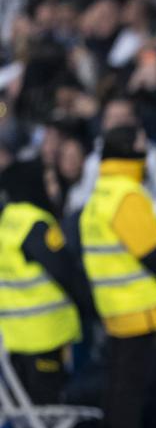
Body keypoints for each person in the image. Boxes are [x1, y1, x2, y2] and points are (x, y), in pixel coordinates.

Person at [80, 124, 156, 428]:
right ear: (129, 149)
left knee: (116, 392)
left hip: (113, 307)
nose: (146, 149)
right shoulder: (128, 195)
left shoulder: (99, 195)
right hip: (139, 307)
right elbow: (153, 253)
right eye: (141, 142)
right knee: (129, 395)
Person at [0, 160, 91, 404]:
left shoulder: (7, 221)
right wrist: (93, 307)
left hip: (14, 337)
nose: (53, 188)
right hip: (46, 336)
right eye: (48, 181)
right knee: (48, 410)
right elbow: (66, 272)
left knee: (27, 417)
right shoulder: (36, 224)